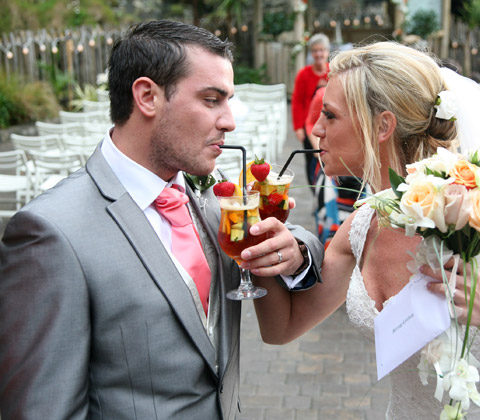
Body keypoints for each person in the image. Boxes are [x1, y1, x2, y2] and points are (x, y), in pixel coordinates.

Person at [248, 41, 480, 419]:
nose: (315, 128)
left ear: (383, 126)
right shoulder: (361, 226)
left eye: (330, 116)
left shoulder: (478, 226)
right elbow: (282, 327)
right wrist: (257, 245)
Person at [0, 20, 323, 420]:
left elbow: (293, 235)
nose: (229, 121)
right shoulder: (51, 233)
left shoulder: (212, 189)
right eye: (211, 100)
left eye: (228, 100)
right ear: (147, 96)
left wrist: (295, 254)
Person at [305, 85, 365, 248]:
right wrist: (321, 153)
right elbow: (310, 125)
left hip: (358, 174)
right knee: (328, 217)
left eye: (330, 115)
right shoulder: (322, 95)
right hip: (329, 167)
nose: (319, 128)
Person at [291, 33, 330, 185]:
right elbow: (297, 102)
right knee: (312, 161)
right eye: (315, 50)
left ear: (327, 51)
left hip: (328, 125)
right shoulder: (303, 74)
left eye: (321, 50)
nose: (318, 54)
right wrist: (298, 127)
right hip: (310, 126)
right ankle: (315, 190)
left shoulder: (333, 72)